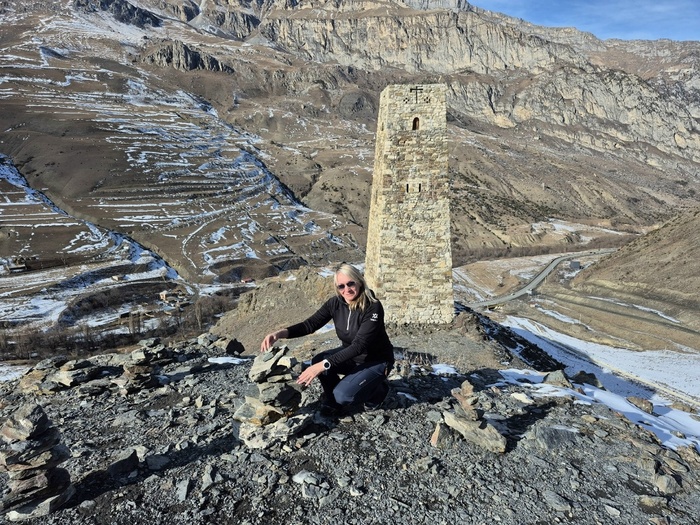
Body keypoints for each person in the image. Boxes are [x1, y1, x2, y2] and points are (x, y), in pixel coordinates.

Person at [260, 263, 394, 414]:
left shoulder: (373, 307)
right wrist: (279, 334)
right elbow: (309, 325)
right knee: (319, 360)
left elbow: (359, 346)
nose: (347, 289)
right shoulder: (335, 303)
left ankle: (378, 391)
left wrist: (323, 366)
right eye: (341, 286)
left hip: (376, 360)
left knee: (343, 394)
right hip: (351, 357)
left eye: (350, 284)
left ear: (359, 281)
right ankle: (333, 399)